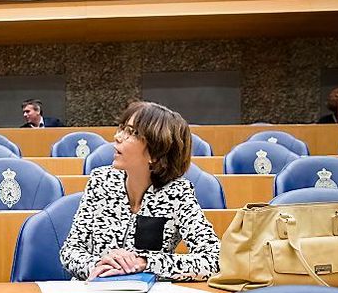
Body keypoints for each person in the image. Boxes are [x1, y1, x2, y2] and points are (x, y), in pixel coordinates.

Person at [60, 101, 220, 281]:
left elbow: (214, 259)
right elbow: (70, 250)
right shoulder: (100, 182)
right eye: (122, 128)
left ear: (156, 153)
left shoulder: (178, 194)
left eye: (132, 133)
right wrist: (99, 265)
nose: (118, 136)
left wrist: (144, 262)